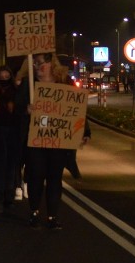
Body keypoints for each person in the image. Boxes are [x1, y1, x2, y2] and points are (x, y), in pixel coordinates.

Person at [15, 53, 91, 230]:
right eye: (35, 64)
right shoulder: (30, 85)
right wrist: (26, 109)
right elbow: (17, 106)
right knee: (36, 176)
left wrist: (84, 131)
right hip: (35, 140)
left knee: (54, 178)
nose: (38, 66)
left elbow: (77, 109)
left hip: (58, 141)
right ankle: (34, 212)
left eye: (42, 63)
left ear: (51, 64)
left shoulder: (64, 84)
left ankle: (52, 216)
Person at [0, 64, 21, 214]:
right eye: (1, 77)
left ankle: (9, 197)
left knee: (11, 165)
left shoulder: (16, 92)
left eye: (6, 77)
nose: (4, 79)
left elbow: (20, 110)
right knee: (0, 165)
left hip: (13, 131)